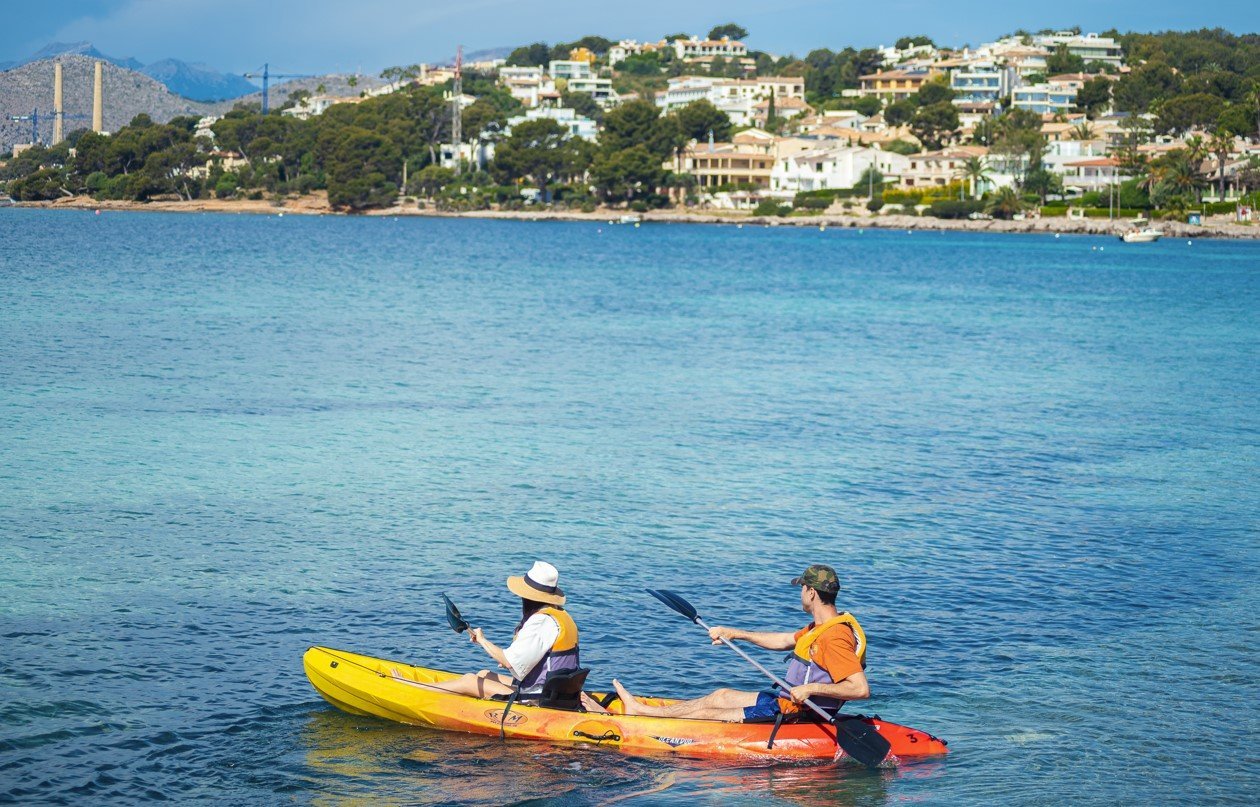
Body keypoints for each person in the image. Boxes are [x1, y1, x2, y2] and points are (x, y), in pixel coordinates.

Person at [612, 565, 869, 721]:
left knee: (705, 716)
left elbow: (859, 689)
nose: (800, 594)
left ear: (811, 593)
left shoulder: (834, 637)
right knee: (720, 695)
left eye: (802, 589)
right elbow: (783, 640)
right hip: (785, 702)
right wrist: (734, 633)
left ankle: (642, 714)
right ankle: (642, 709)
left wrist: (811, 689)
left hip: (797, 714)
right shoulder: (819, 628)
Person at [442, 561, 580, 700]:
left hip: (538, 698)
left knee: (470, 680)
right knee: (484, 674)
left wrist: (483, 640)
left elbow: (509, 662)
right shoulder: (560, 616)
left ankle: (421, 691)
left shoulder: (541, 622)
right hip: (557, 694)